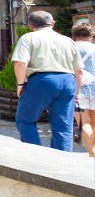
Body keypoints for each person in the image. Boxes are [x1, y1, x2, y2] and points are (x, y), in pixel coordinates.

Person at [11, 10, 83, 151]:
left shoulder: (28, 38)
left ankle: (37, 155)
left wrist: (20, 84)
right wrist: (77, 92)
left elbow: (20, 62)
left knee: (25, 120)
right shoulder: (67, 40)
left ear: (30, 25)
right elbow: (79, 71)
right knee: (63, 126)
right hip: (68, 81)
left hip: (41, 81)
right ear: (53, 23)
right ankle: (62, 159)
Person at [71, 22, 95, 158]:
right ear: (91, 36)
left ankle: (92, 154)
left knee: (84, 122)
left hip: (78, 89)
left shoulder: (71, 47)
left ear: (74, 35)